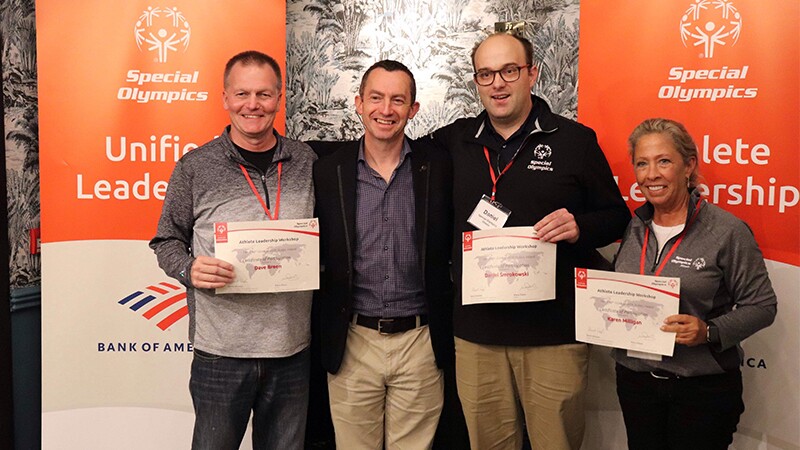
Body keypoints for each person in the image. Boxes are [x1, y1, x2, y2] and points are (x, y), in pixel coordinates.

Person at [429, 32, 631, 449]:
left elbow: (616, 218)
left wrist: (579, 226)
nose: (498, 83)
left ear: (532, 73)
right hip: (476, 336)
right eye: (486, 74)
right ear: (477, 81)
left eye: (509, 70)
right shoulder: (453, 141)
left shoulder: (575, 140)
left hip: (553, 335)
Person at [149, 50, 316, 450]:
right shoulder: (195, 166)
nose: (252, 105)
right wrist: (189, 269)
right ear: (225, 98)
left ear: (279, 98)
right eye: (242, 94)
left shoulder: (306, 161)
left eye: (263, 94)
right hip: (220, 353)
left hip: (292, 349)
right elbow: (166, 239)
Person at [311, 60, 455, 449]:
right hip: (352, 339)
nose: (385, 110)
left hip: (421, 341)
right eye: (375, 98)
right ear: (358, 103)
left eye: (397, 100)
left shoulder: (439, 168)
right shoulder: (327, 171)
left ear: (414, 109)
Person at [612, 118, 777, 449]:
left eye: (664, 161)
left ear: (688, 166)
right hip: (637, 384)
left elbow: (763, 306)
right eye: (641, 163)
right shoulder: (633, 227)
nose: (651, 174)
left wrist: (709, 332)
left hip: (701, 389)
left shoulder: (726, 231)